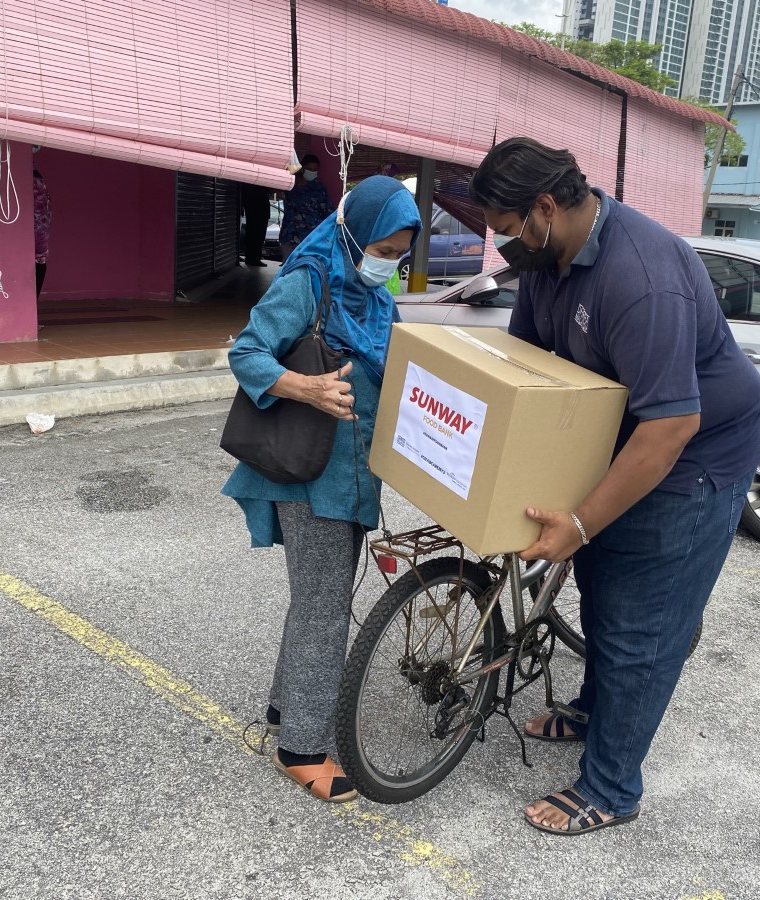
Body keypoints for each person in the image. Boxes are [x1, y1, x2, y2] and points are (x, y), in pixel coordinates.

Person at [467, 138, 760, 835]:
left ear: (545, 206)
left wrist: (578, 523)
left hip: (692, 459)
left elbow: (669, 429)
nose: (507, 246)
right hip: (618, 443)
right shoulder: (547, 258)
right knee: (602, 591)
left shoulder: (642, 276)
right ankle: (596, 709)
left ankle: (610, 787)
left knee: (641, 629)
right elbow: (525, 370)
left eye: (509, 229)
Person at [221, 176, 422, 803]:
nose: (387, 262)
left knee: (315, 600)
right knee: (325, 608)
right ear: (354, 232)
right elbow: (247, 352)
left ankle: (286, 710)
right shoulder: (310, 279)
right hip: (309, 474)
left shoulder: (376, 302)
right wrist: (306, 388)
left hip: (354, 476)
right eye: (382, 248)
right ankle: (302, 748)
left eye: (399, 252)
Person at [279, 153, 334, 262]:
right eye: (309, 169)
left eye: (315, 170)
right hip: (289, 234)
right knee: (288, 267)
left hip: (309, 238)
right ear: (302, 168)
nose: (312, 172)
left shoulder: (318, 188)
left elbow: (328, 212)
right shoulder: (290, 183)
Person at [32, 149, 51, 298]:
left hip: (37, 224)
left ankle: (31, 305)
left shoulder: (33, 178)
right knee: (39, 259)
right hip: (40, 224)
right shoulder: (38, 178)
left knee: (39, 259)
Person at [241, 183, 271, 267]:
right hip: (258, 208)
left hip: (256, 207)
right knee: (257, 234)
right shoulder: (257, 185)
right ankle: (253, 258)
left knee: (253, 233)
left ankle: (252, 257)